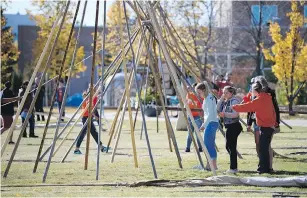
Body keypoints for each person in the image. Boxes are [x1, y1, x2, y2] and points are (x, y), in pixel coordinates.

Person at [232, 81, 277, 174]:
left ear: (256, 90)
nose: (251, 91)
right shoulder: (266, 97)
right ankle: (266, 168)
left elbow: (248, 107)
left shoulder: (260, 99)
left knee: (263, 149)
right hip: (268, 126)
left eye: (252, 89)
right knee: (263, 148)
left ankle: (263, 169)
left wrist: (235, 107)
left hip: (266, 127)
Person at [217, 86, 242, 174]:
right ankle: (233, 167)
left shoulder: (235, 101)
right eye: (223, 92)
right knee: (229, 146)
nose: (224, 94)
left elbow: (235, 114)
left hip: (234, 126)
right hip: (229, 126)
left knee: (231, 147)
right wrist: (221, 99)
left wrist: (225, 114)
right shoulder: (226, 101)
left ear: (231, 93)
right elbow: (217, 108)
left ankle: (233, 168)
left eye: (226, 93)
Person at [196, 81, 219, 170]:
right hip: (211, 123)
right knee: (209, 145)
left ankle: (213, 166)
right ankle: (210, 165)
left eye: (199, 92)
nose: (198, 94)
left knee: (208, 145)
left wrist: (203, 125)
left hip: (211, 123)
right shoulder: (207, 98)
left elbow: (210, 114)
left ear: (204, 90)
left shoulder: (209, 98)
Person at [185, 83, 203, 153]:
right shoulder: (189, 94)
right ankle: (187, 147)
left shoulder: (200, 97)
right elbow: (186, 104)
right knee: (190, 133)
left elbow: (202, 106)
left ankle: (200, 147)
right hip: (190, 116)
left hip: (197, 116)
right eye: (192, 88)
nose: (193, 89)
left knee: (197, 133)